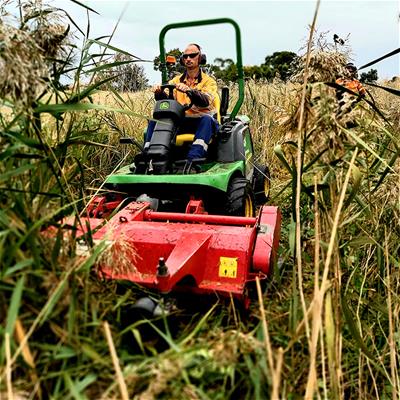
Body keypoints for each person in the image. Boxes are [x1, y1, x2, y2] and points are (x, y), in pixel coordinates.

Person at [144, 43, 219, 161]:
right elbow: (167, 102)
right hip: (181, 122)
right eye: (185, 56)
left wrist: (190, 91)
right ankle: (148, 156)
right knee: (155, 121)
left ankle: (194, 158)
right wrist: (159, 93)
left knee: (207, 120)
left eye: (192, 55)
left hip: (201, 121)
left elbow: (206, 101)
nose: (188, 59)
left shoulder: (208, 82)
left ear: (200, 58)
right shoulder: (175, 81)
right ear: (182, 60)